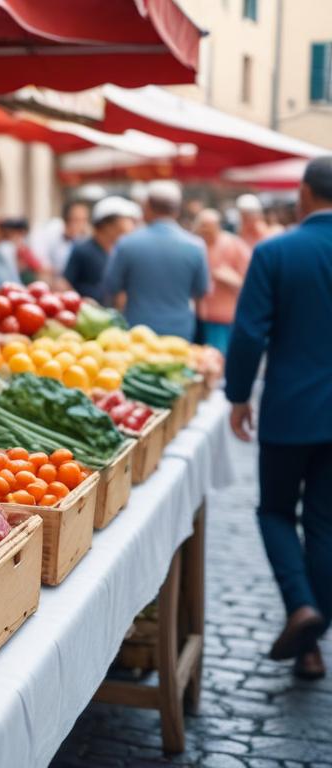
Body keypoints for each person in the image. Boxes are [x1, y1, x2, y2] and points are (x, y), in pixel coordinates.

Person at [226, 156, 332, 680]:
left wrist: (238, 395)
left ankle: (300, 609)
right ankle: (311, 643)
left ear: (304, 194)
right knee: (325, 524)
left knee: (274, 512)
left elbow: (248, 334)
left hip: (291, 408)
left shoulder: (276, 251)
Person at [101, 180, 209, 338]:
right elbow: (201, 289)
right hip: (180, 331)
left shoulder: (127, 243)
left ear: (147, 207)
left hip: (138, 331)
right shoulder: (196, 246)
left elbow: (111, 286)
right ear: (177, 210)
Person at [194, 208, 251, 354]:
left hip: (226, 318)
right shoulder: (195, 246)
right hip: (201, 316)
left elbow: (250, 281)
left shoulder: (235, 245)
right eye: (202, 226)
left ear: (218, 226)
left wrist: (232, 278)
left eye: (208, 226)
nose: (205, 230)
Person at [62, 196, 135, 305]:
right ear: (106, 225)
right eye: (123, 221)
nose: (128, 226)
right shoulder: (82, 250)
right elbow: (65, 284)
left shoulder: (119, 252)